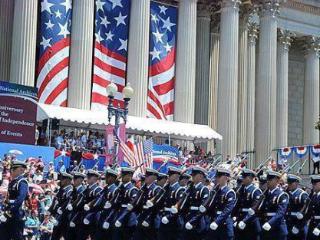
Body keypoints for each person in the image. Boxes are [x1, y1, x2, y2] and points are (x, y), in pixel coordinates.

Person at [204, 168, 236, 240]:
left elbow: (228, 209)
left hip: (224, 223)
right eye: (216, 176)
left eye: (219, 176)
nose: (217, 178)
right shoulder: (215, 191)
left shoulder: (229, 192)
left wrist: (217, 221)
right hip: (214, 221)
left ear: (226, 178)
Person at [0, 160, 28, 240]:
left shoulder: (22, 182)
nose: (11, 170)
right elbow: (9, 199)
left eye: (22, 169)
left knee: (17, 237)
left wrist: (8, 213)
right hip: (9, 213)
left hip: (16, 214)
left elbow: (20, 199)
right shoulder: (13, 182)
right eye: (20, 169)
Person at [258, 170, 289, 240]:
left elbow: (280, 213)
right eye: (267, 179)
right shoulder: (265, 194)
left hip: (277, 228)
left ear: (277, 181)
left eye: (270, 180)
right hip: (266, 227)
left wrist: (269, 223)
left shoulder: (281, 195)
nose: (268, 181)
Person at [133, 168, 162, 240]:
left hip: (151, 221)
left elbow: (157, 207)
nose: (145, 178)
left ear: (153, 177)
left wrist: (148, 220)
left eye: (147, 176)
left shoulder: (156, 189)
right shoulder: (143, 189)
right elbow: (138, 203)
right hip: (142, 218)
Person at [234, 169, 262, 240]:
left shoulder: (255, 191)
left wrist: (245, 221)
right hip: (241, 219)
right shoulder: (242, 190)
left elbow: (254, 209)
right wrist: (234, 217)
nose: (242, 179)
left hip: (250, 223)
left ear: (250, 178)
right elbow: (238, 205)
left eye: (244, 177)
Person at [182, 166, 209, 240]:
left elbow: (203, 208)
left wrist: (192, 221)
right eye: (192, 175)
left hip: (198, 222)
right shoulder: (190, 188)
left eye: (194, 175)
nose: (192, 177)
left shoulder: (204, 189)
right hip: (188, 218)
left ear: (200, 176)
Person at [158, 167, 185, 240]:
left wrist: (169, 216)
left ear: (176, 176)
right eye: (168, 174)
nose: (168, 176)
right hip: (163, 217)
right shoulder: (166, 188)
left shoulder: (179, 189)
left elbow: (179, 207)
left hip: (173, 221)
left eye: (170, 175)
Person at [113, 167, 138, 240]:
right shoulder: (120, 188)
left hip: (127, 219)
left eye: (123, 175)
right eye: (122, 174)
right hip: (119, 215)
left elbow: (131, 207)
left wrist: (121, 218)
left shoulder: (132, 189)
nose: (122, 177)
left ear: (129, 176)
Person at [49, 172, 73, 240]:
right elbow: (56, 202)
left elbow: (68, 203)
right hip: (58, 218)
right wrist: (51, 211)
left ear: (68, 180)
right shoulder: (61, 190)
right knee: (54, 236)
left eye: (63, 179)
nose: (61, 180)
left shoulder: (70, 190)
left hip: (64, 219)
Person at [286, 174, 309, 240]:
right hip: (289, 223)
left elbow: (306, 212)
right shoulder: (287, 194)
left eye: (291, 183)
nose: (289, 185)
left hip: (299, 224)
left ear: (296, 183)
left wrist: (298, 226)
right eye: (288, 183)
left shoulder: (302, 194)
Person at [306, 175, 320, 240]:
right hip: (312, 225)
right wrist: (299, 225)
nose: (313, 186)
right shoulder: (314, 196)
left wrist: (319, 227)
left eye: (315, 184)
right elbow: (309, 213)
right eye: (312, 184)